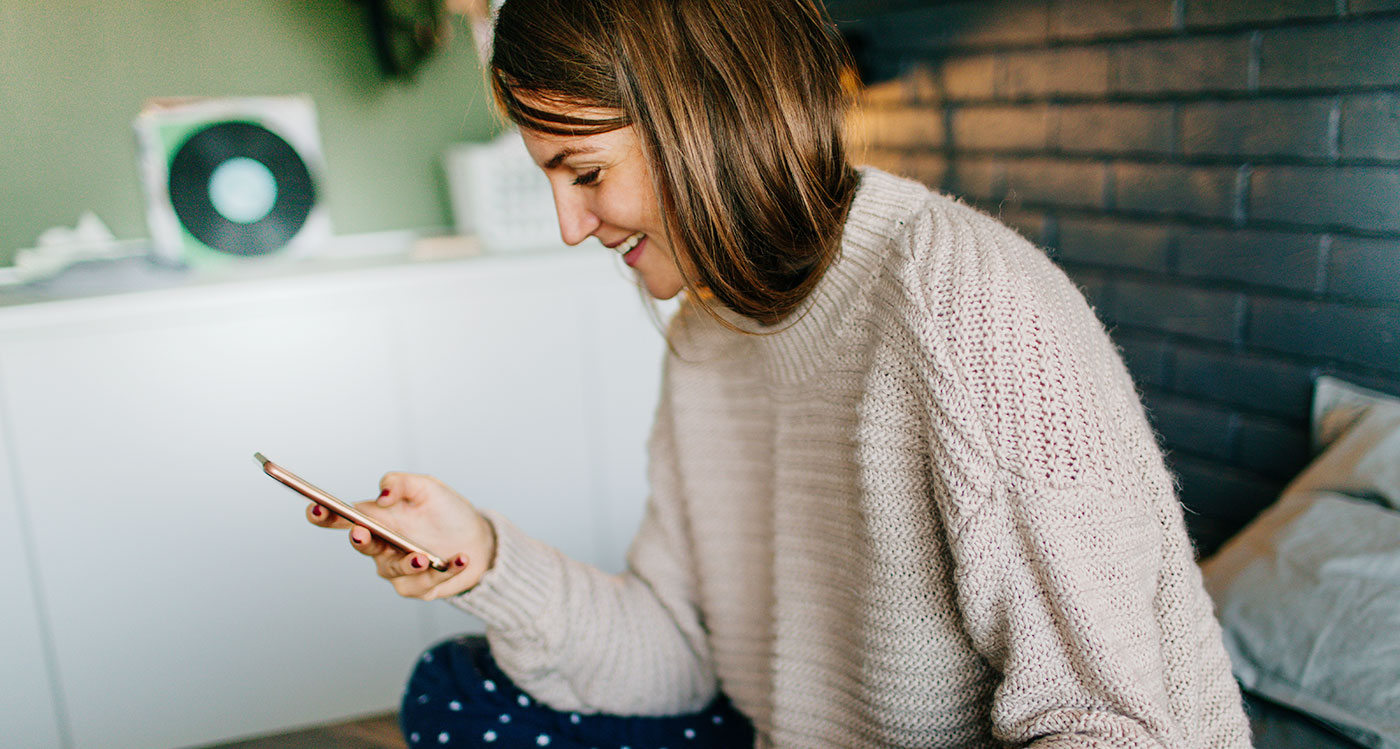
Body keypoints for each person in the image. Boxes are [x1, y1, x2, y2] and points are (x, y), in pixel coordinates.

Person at [309, 0, 1253, 746]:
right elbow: (680, 654)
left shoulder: (960, 299)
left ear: (704, 118)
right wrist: (485, 553)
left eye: (586, 173)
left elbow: (1122, 726)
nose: (570, 226)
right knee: (454, 686)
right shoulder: (711, 329)